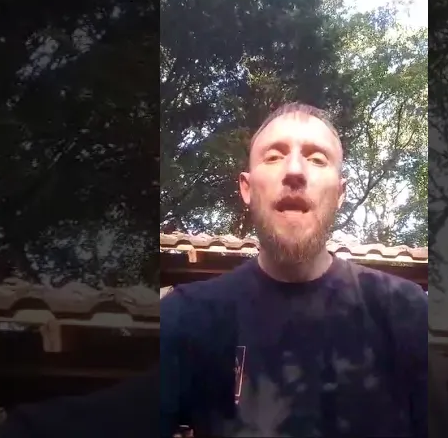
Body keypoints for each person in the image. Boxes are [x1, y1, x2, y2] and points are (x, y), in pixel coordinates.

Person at [160, 102, 429, 437]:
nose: (295, 171)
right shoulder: (188, 315)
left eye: (317, 159)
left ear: (340, 193)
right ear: (246, 188)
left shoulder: (405, 312)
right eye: (274, 156)